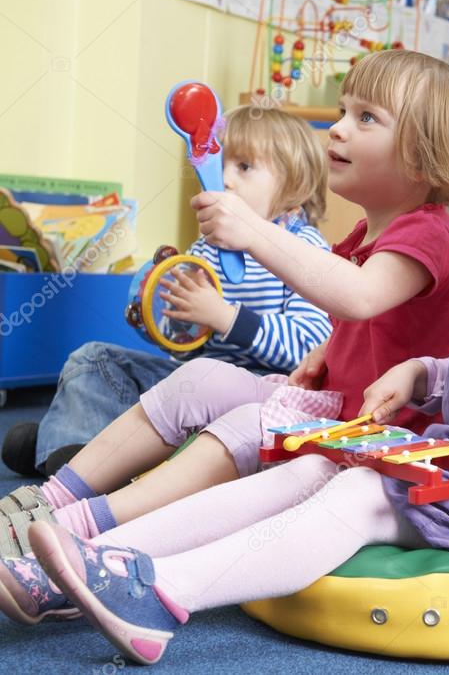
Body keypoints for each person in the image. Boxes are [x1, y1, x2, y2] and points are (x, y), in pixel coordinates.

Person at [0, 47, 449, 667]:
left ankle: (161, 594)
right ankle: (94, 563)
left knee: (355, 492)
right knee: (318, 466)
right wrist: (423, 374)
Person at [0, 50, 449, 558]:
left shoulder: (430, 234)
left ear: (425, 153)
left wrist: (250, 231)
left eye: (366, 118)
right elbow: (367, 321)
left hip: (383, 439)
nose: (338, 129)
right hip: (337, 411)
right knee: (201, 376)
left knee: (248, 424)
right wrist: (328, 352)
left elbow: (358, 296)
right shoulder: (363, 232)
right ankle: (48, 500)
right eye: (341, 112)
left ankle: (86, 530)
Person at [1, 105, 333, 478]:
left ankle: (72, 452)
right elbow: (187, 344)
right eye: (219, 164)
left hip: (257, 395)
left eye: (244, 167)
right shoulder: (209, 247)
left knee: (192, 403)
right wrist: (168, 322)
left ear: (295, 184)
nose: (224, 178)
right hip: (193, 382)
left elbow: (310, 350)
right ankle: (70, 450)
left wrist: (226, 318)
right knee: (93, 358)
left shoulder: (305, 248)